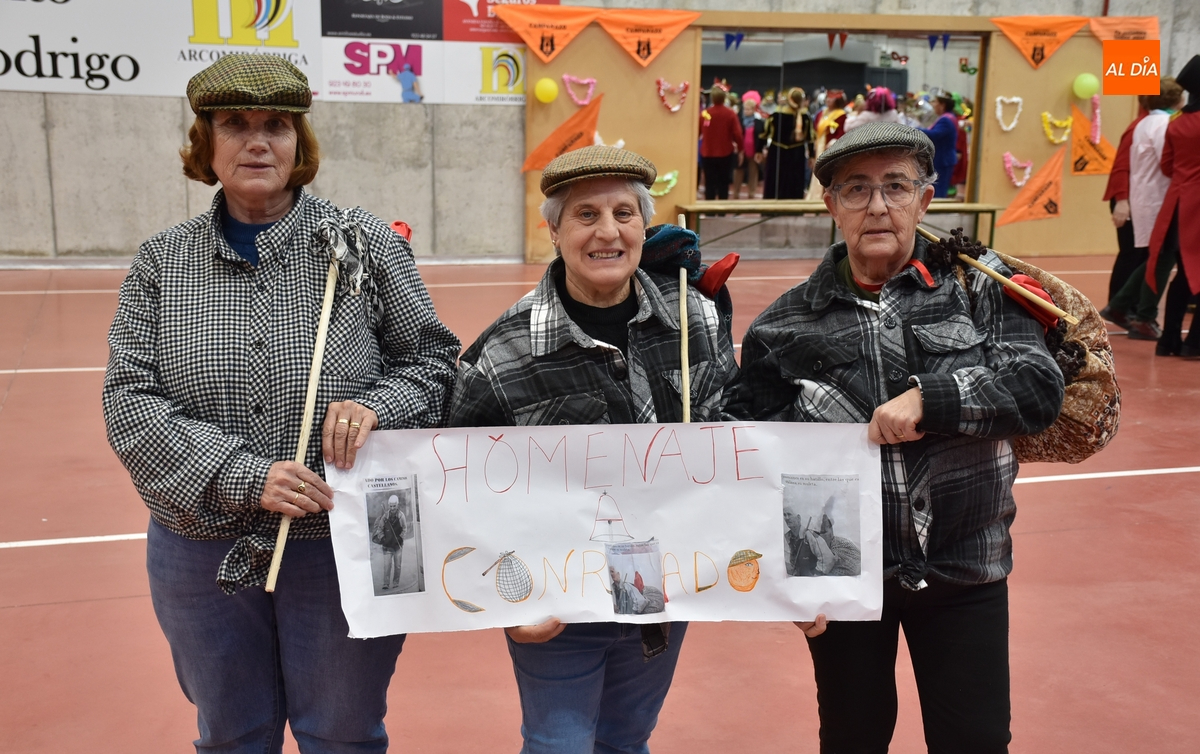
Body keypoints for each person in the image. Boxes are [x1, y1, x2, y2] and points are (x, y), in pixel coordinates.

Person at [102, 54, 461, 753]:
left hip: (357, 532)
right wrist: (245, 475)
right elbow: (128, 401)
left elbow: (436, 366)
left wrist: (380, 405)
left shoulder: (362, 244)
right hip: (203, 541)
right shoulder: (161, 262)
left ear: (301, 143)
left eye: (277, 125)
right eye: (234, 124)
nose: (257, 141)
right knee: (234, 735)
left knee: (346, 733)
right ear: (205, 142)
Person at [729, 122, 1065, 753]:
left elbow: (1036, 390)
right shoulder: (784, 323)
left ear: (925, 199)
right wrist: (784, 579)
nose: (877, 206)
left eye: (895, 186)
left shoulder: (980, 285)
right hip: (846, 578)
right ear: (830, 205)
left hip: (966, 566)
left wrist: (932, 398)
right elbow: (752, 456)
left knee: (976, 739)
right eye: (856, 190)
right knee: (853, 737)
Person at [448, 145, 739, 753]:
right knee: (559, 743)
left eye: (624, 212)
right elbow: (461, 493)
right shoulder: (501, 354)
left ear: (644, 225)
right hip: (554, 598)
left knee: (627, 740)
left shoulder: (698, 322)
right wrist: (507, 600)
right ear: (553, 229)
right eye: (585, 215)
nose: (608, 231)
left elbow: (734, 442)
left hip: (656, 588)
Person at [1100, 77, 1185, 340]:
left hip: (1145, 196)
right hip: (1157, 197)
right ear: (1175, 100)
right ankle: (1135, 311)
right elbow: (1167, 162)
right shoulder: (1162, 125)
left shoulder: (1144, 123)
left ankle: (1124, 305)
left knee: (1154, 256)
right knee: (1157, 256)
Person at [1149, 56, 1200, 357]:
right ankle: (1194, 342)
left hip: (1178, 206)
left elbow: (1167, 166)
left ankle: (1169, 339)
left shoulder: (1175, 122)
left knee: (1184, 273)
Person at [1101, 102, 1149, 302]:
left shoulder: (1153, 124)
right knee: (1130, 253)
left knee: (1141, 255)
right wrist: (1122, 200)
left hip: (1139, 198)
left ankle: (1128, 302)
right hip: (1127, 199)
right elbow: (1121, 166)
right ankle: (1118, 302)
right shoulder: (1139, 127)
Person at [762, 87, 813, 199]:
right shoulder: (805, 117)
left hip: (777, 153)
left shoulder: (776, 115)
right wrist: (812, 156)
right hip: (796, 154)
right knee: (795, 182)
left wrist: (758, 150)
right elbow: (810, 138)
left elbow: (764, 134)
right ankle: (794, 210)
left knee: (775, 182)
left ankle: (770, 209)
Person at [699, 87, 743, 200]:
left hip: (708, 153)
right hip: (725, 153)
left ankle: (710, 211)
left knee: (709, 183)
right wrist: (741, 150)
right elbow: (738, 134)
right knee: (724, 183)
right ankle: (722, 211)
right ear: (724, 98)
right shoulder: (731, 114)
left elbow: (697, 132)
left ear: (712, 99)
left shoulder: (705, 114)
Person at [921, 90, 959, 198]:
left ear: (942, 105)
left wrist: (916, 130)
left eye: (935, 102)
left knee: (939, 190)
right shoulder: (948, 117)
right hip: (943, 159)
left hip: (942, 160)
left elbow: (934, 135)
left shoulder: (946, 120)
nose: (933, 105)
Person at [732, 90, 766, 199]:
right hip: (742, 150)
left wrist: (760, 150)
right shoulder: (739, 121)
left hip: (753, 150)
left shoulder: (759, 122)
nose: (746, 111)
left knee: (753, 172)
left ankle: (752, 192)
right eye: (745, 108)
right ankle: (736, 192)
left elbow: (761, 136)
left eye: (748, 109)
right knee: (738, 172)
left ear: (753, 109)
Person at [371, 494, 408, 590]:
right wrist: (383, 538)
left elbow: (404, 529)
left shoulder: (401, 516)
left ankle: (395, 582)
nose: (392, 508)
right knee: (387, 566)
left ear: (397, 505)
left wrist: (400, 538)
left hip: (397, 546)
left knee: (398, 566)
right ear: (389, 506)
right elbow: (380, 528)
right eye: (390, 506)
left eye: (394, 506)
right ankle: (386, 583)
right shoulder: (385, 516)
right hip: (387, 546)